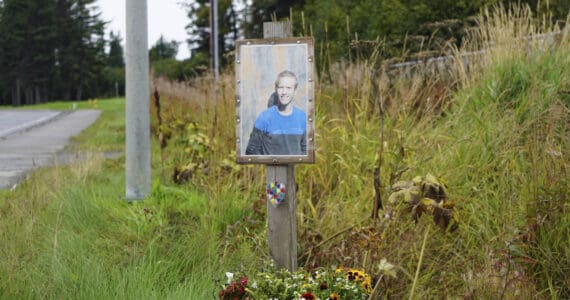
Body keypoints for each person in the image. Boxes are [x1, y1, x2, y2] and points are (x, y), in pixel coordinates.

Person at [246, 70, 307, 155]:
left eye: (288, 88)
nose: (284, 92)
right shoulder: (264, 117)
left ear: (295, 91)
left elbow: (305, 150)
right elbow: (251, 150)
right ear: (276, 89)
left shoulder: (303, 118)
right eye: (281, 87)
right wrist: (269, 162)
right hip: (270, 168)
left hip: (295, 167)